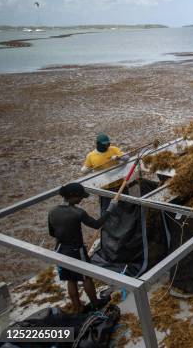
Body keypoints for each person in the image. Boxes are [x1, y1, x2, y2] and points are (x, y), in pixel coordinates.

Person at [48, 183, 117, 313]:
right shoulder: (78, 212)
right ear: (72, 196)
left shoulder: (52, 211)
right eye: (80, 197)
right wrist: (110, 210)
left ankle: (77, 307)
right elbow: (97, 225)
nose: (81, 200)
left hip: (60, 250)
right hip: (76, 250)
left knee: (71, 279)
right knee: (86, 277)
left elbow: (52, 233)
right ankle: (96, 303)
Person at [81, 133, 129, 213]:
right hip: (105, 188)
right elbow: (85, 170)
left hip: (119, 184)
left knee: (126, 206)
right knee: (108, 210)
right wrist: (86, 169)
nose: (106, 146)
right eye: (104, 145)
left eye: (108, 144)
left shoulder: (113, 149)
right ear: (97, 144)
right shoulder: (91, 156)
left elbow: (127, 157)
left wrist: (119, 158)